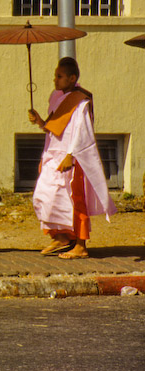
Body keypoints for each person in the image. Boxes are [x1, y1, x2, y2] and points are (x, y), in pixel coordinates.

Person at [28, 57, 116, 259]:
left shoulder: (80, 101)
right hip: (53, 155)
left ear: (72, 78)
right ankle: (61, 237)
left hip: (72, 156)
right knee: (45, 197)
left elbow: (82, 131)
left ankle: (81, 245)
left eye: (59, 76)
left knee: (76, 200)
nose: (55, 80)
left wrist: (71, 155)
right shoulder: (56, 96)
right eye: (55, 76)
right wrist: (40, 121)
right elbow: (55, 127)